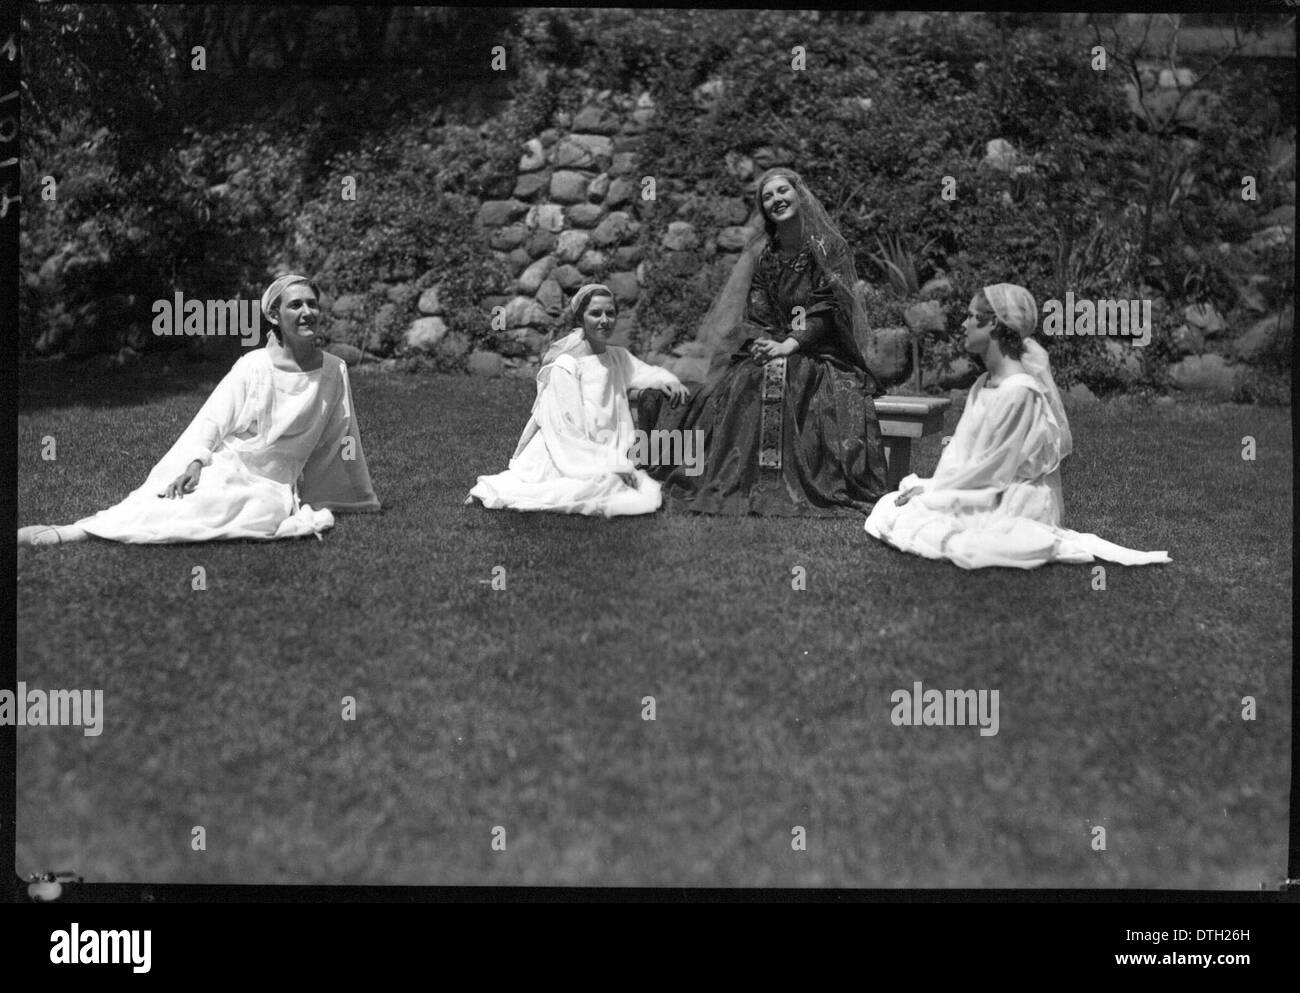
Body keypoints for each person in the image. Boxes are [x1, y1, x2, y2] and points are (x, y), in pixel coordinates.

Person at [17, 275, 380, 545]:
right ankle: (77, 531)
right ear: (274, 315)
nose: (307, 312)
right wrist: (193, 463)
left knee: (254, 511)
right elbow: (214, 419)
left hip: (274, 486)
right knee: (189, 503)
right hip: (232, 465)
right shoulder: (253, 366)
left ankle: (82, 532)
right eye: (295, 305)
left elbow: (339, 436)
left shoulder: (334, 369)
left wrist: (350, 495)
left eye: (312, 304)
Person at [864, 283, 1171, 569]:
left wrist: (932, 497)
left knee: (936, 531)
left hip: (1010, 498)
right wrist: (930, 487)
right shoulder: (985, 383)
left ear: (994, 324)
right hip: (978, 489)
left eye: (972, 317)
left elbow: (994, 471)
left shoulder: (1020, 392)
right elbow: (963, 455)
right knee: (890, 505)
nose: (963, 324)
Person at [648, 167, 889, 516]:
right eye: (768, 197)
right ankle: (738, 480)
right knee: (737, 382)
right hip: (776, 343)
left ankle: (785, 483)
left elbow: (828, 307)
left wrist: (789, 344)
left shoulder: (828, 247)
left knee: (790, 377)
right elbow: (758, 307)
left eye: (782, 192)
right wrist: (763, 342)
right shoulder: (767, 255)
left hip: (823, 350)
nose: (777, 200)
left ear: (799, 194)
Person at [468, 283, 689, 517]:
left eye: (610, 313)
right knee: (597, 487)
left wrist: (668, 380)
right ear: (581, 318)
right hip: (566, 449)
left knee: (621, 487)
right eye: (595, 313)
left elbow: (646, 373)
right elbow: (564, 428)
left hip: (606, 444)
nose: (604, 320)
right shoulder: (566, 365)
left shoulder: (617, 356)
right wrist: (608, 463)